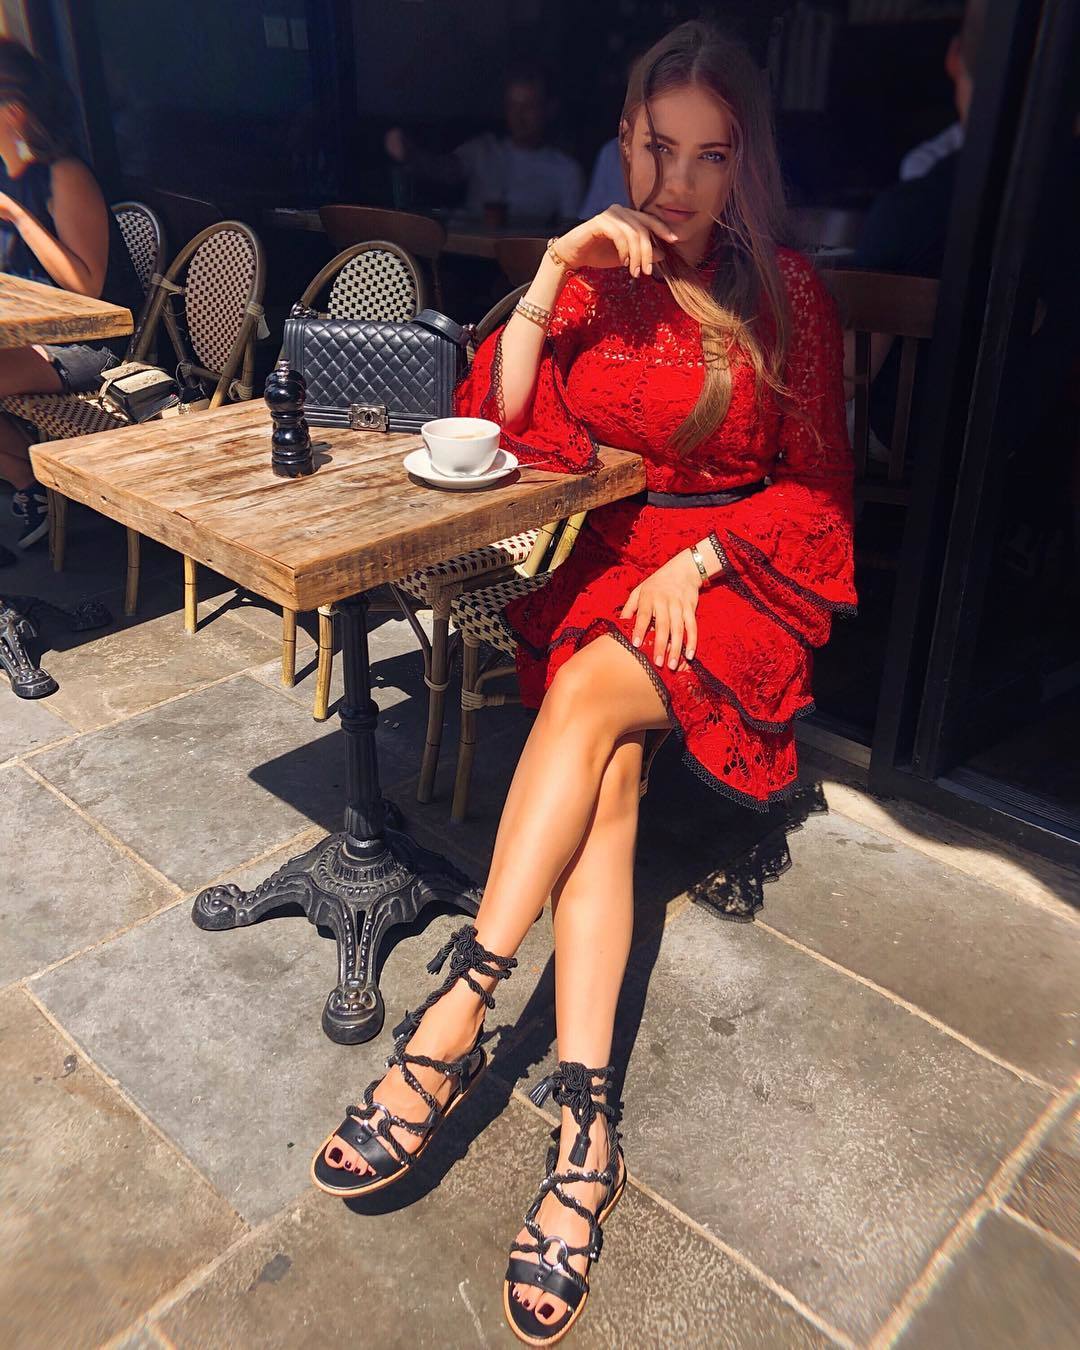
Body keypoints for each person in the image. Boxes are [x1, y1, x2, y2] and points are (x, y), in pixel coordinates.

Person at [314, 22, 854, 1344]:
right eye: (658, 147)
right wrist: (554, 272)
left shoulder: (787, 291)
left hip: (733, 579)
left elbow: (820, 492)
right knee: (603, 784)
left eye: (711, 156)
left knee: (586, 699)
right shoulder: (599, 276)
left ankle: (460, 1004)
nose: (678, 182)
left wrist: (707, 560)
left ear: (744, 162)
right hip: (607, 566)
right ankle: (586, 1129)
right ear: (624, 137)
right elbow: (505, 430)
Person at [0, 40, 142, 549]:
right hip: (30, 337)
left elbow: (88, 288)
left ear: (13, 111)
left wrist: (19, 217)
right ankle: (29, 476)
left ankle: (29, 480)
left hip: (88, 344)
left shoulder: (65, 175)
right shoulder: (9, 175)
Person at [384, 68, 583, 224]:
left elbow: (570, 232)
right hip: (466, 254)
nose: (519, 116)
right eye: (512, 106)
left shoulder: (566, 171)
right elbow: (444, 169)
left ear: (548, 109)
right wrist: (409, 154)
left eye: (528, 107)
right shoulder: (483, 149)